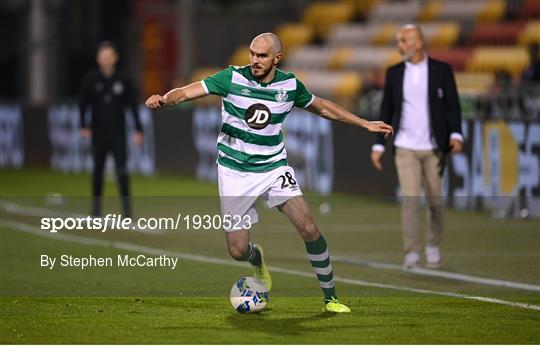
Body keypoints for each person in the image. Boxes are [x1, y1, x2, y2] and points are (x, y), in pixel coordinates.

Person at [146, 33, 393, 313]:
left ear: (277, 58)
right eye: (252, 53)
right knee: (238, 250)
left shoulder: (289, 85)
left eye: (262, 55)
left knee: (309, 227)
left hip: (273, 167)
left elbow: (322, 107)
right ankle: (257, 260)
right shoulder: (231, 78)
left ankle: (331, 298)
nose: (254, 60)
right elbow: (188, 91)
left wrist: (363, 123)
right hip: (234, 171)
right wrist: (165, 100)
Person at [370, 24, 463, 269]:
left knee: (436, 202)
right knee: (411, 200)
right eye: (399, 41)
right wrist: (379, 145)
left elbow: (453, 105)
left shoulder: (442, 70)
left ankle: (433, 246)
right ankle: (412, 251)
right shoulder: (394, 73)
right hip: (405, 146)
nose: (399, 46)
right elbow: (386, 110)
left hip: (434, 147)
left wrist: (456, 134)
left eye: (403, 41)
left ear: (418, 43)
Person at [79, 41, 143, 218]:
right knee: (98, 170)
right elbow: (83, 105)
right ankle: (96, 209)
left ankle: (127, 211)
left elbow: (132, 106)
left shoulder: (124, 80)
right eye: (103, 56)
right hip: (98, 133)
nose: (106, 60)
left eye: (109, 56)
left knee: (122, 170)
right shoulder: (91, 80)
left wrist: (138, 129)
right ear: (98, 59)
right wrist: (83, 126)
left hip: (118, 133)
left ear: (115, 58)